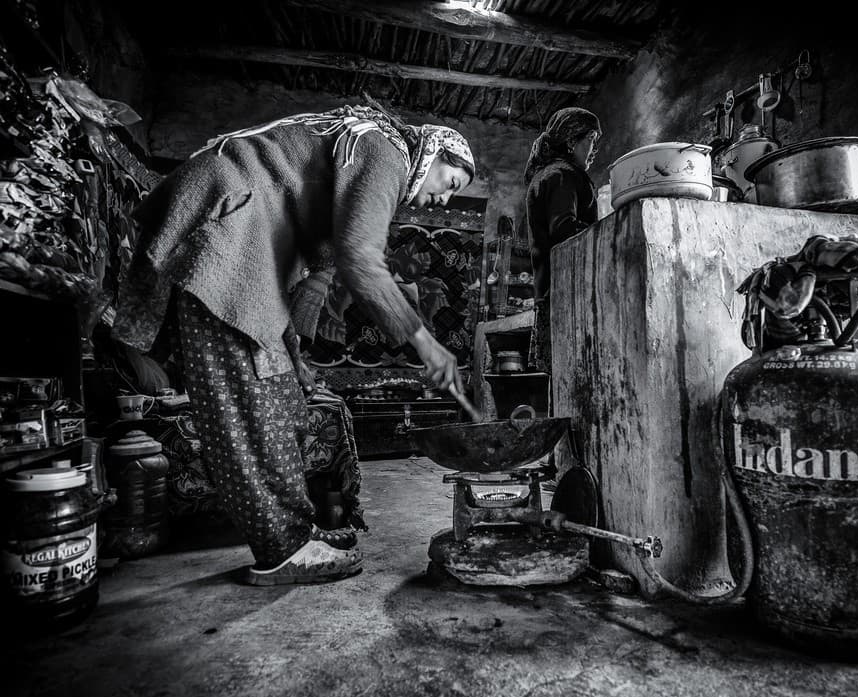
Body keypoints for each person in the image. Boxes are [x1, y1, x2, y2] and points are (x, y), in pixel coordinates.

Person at [111, 104, 475, 585]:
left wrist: (296, 344)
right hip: (230, 225)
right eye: (450, 183)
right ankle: (281, 549)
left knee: (279, 392)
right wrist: (424, 342)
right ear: (433, 152)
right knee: (250, 401)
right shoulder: (387, 151)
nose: (445, 202)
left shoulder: (368, 151)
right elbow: (359, 259)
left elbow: (329, 258)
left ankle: (296, 532)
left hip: (246, 233)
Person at [523, 107, 602, 374]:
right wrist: (606, 232)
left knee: (562, 381)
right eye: (591, 139)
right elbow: (565, 229)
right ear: (571, 141)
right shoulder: (562, 174)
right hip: (567, 294)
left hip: (551, 293)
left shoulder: (546, 175)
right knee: (576, 376)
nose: (594, 149)